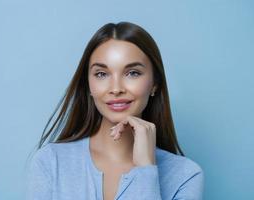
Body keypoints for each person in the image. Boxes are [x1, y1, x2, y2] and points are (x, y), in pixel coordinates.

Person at [25, 21, 204, 200]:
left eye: (133, 73)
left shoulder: (186, 176)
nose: (116, 88)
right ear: (88, 84)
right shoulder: (50, 162)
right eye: (101, 74)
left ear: (155, 84)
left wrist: (145, 170)